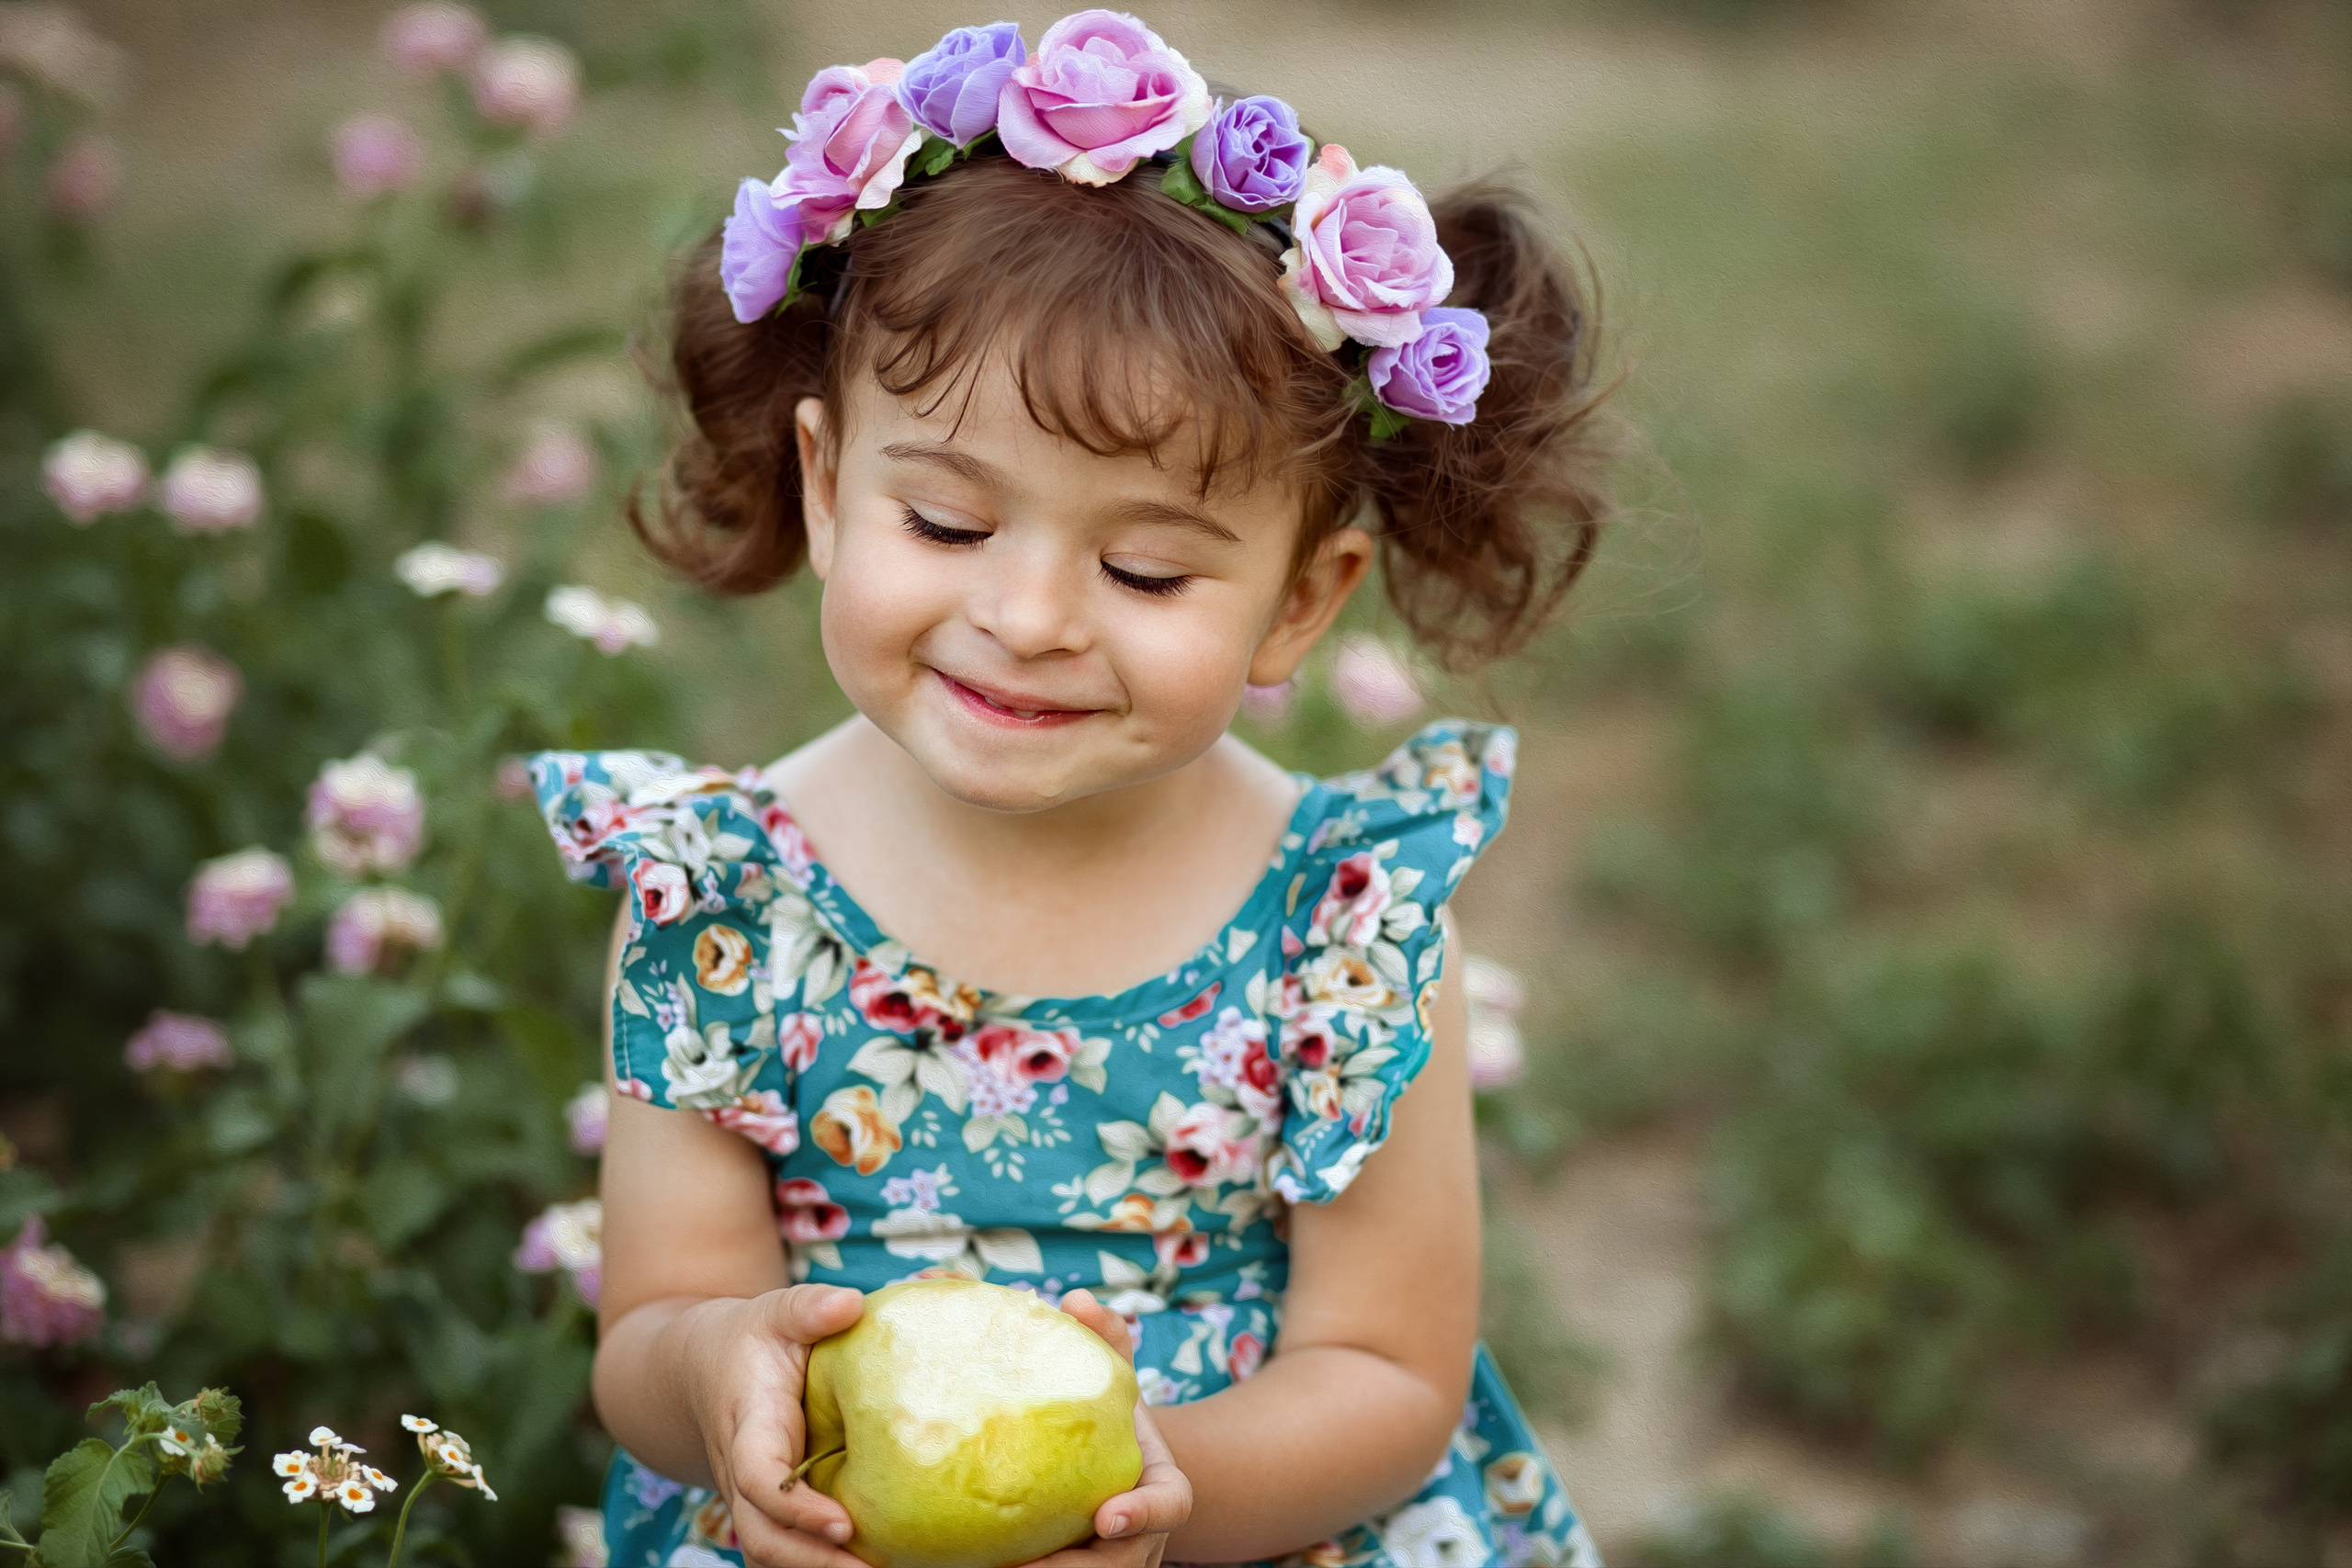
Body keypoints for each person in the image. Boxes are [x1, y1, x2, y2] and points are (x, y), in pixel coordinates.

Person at [528, 12, 1617, 1565]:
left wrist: (1150, 1497)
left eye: (1147, 569)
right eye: (949, 527)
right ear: (828, 488)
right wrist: (718, 1377)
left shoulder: (1349, 924)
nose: (1030, 617)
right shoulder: (718, 896)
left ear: (1302, 602)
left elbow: (1387, 1374)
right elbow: (651, 1327)